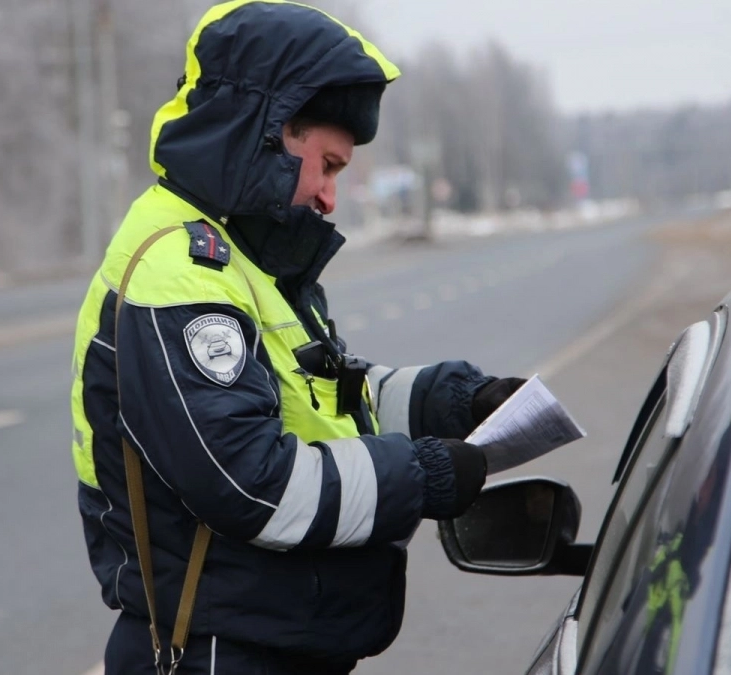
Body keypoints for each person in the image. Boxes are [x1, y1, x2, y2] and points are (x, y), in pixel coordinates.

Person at [68, 2, 525, 673]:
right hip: (214, 655)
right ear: (266, 135)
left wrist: (454, 401)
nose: (331, 197)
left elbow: (313, 401)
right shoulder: (179, 270)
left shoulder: (241, 253)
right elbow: (254, 483)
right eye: (329, 165)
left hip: (262, 644)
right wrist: (421, 475)